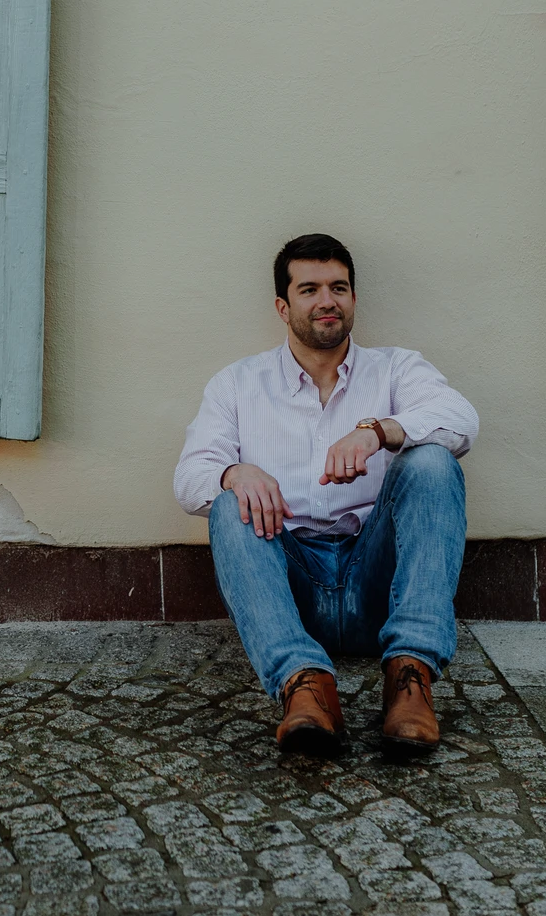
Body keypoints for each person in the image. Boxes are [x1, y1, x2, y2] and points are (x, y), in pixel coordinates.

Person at [173, 233, 477, 756]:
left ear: (353, 298)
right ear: (283, 306)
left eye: (338, 287)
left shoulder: (395, 368)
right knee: (229, 500)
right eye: (309, 289)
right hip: (292, 592)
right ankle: (305, 685)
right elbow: (189, 477)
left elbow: (461, 420)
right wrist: (234, 473)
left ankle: (410, 678)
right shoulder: (237, 384)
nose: (326, 300)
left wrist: (378, 431)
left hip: (377, 580)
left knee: (432, 461)